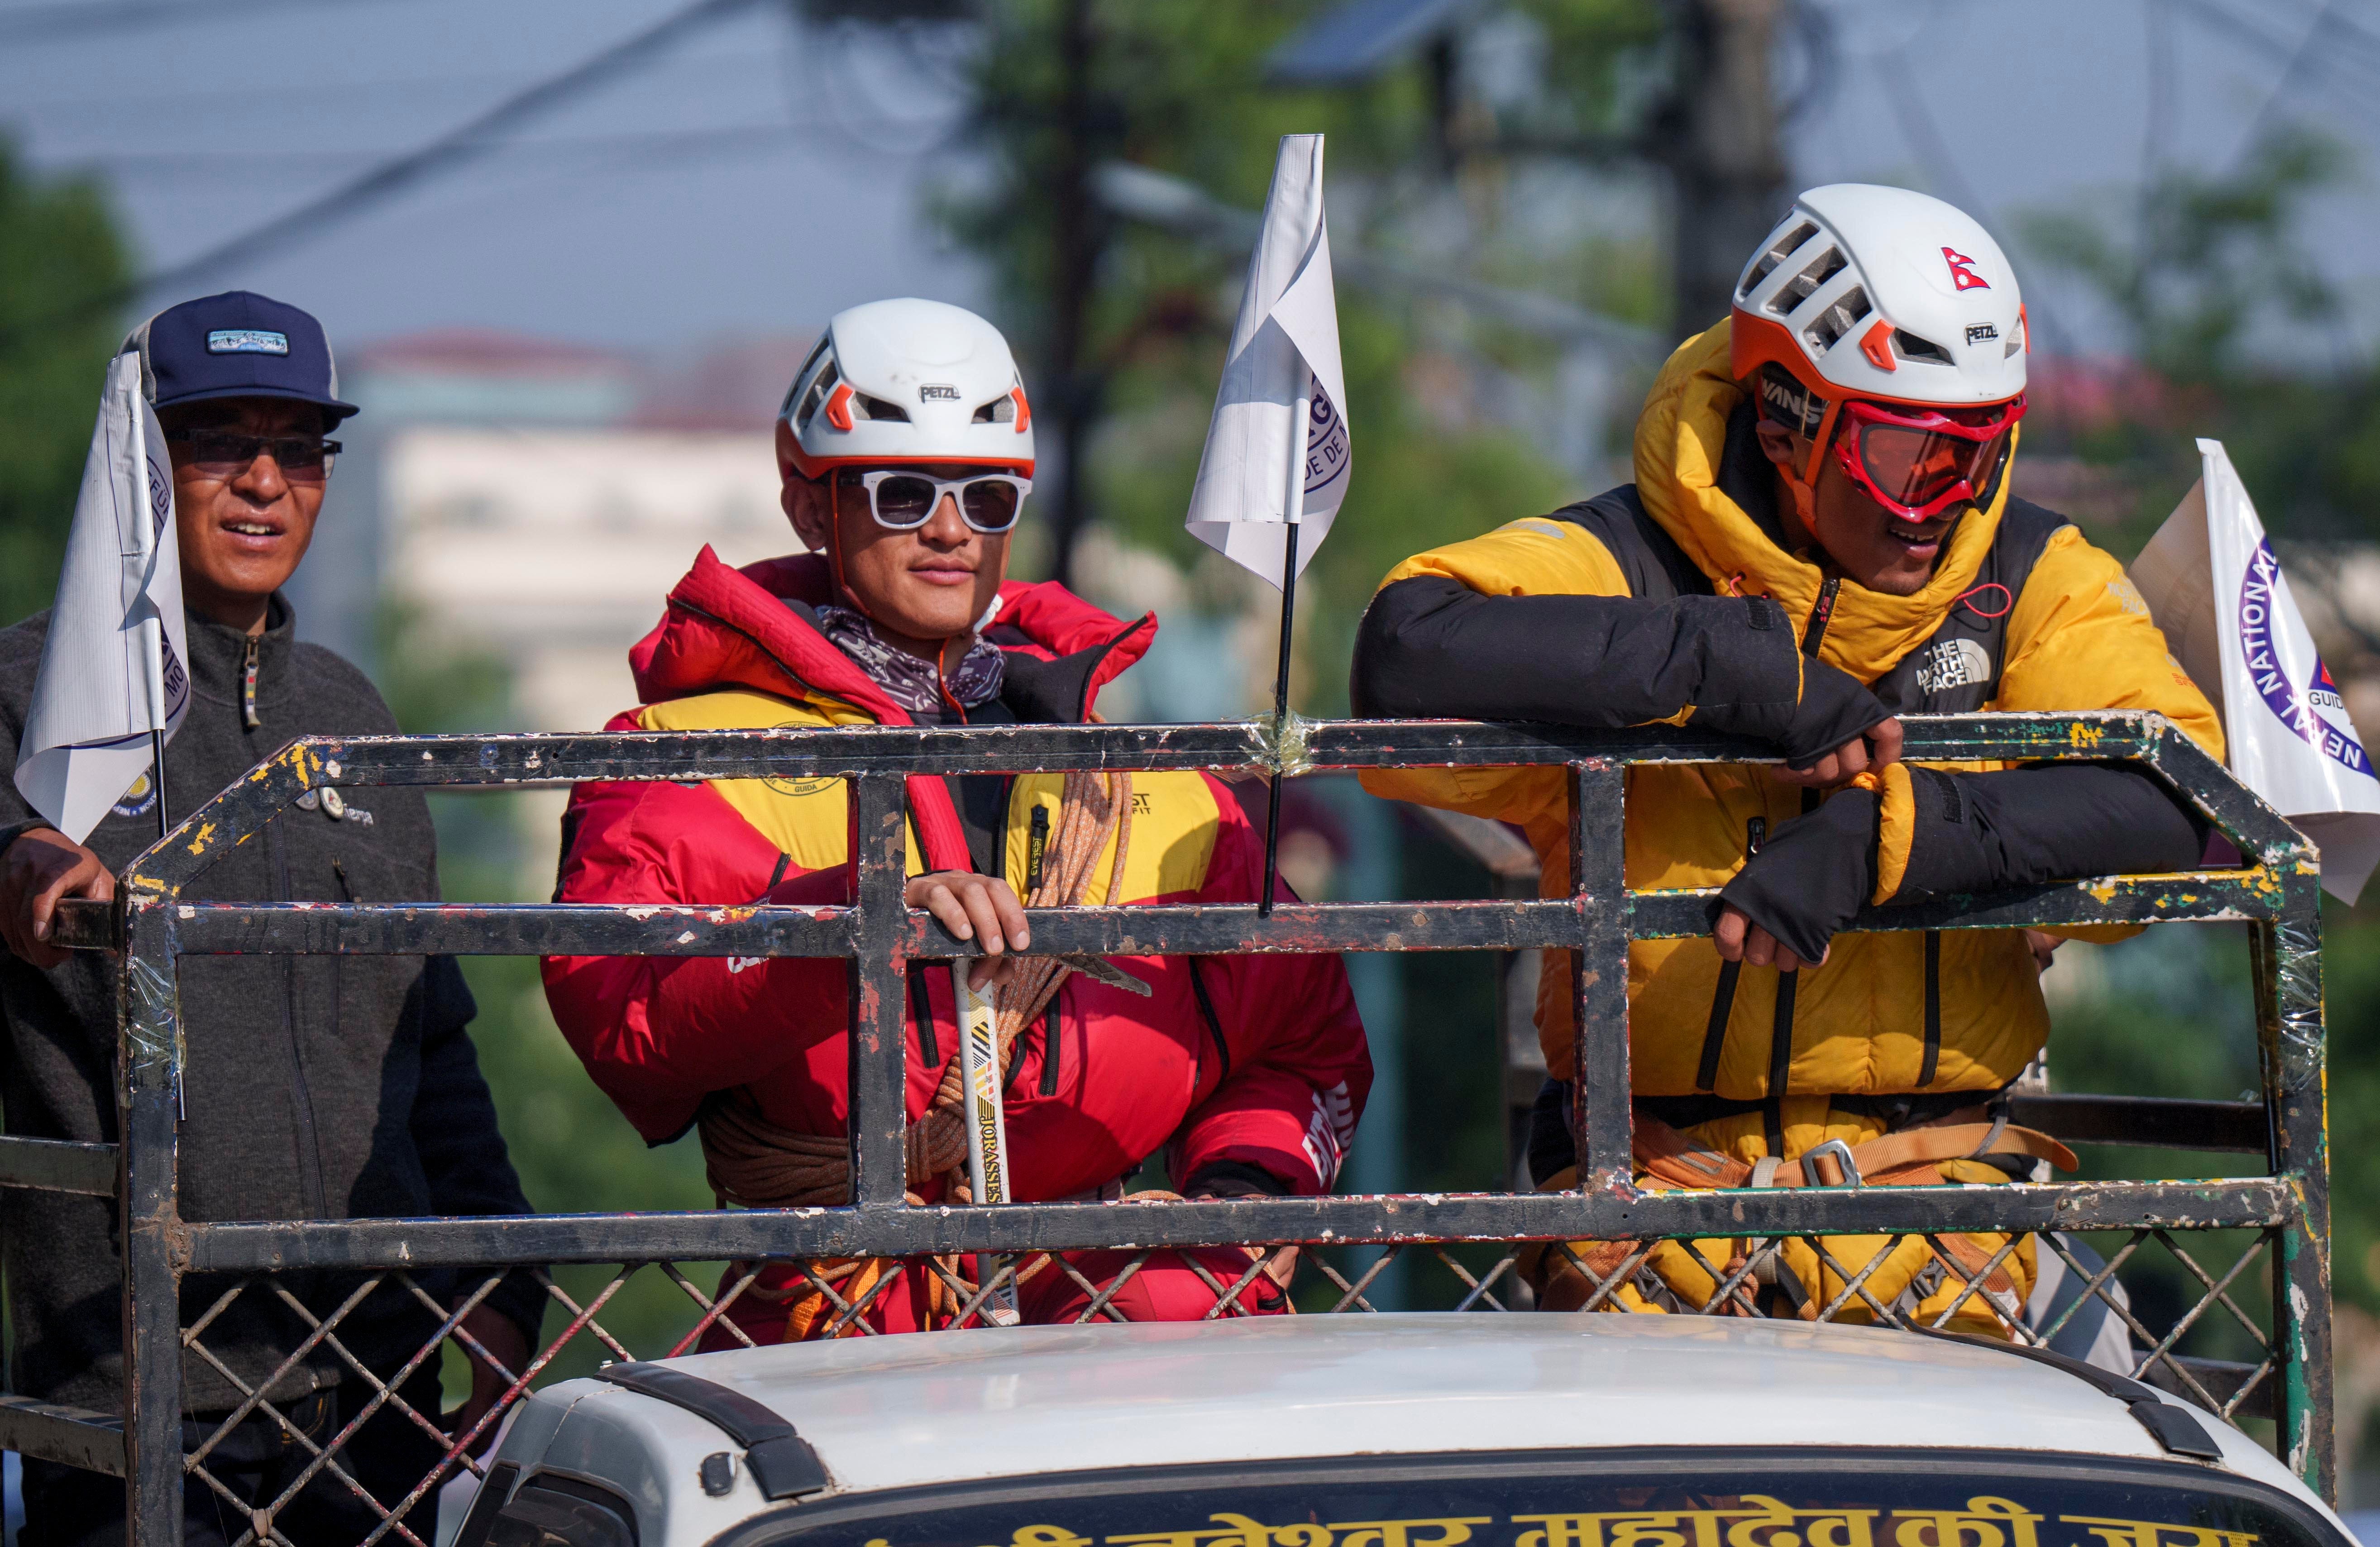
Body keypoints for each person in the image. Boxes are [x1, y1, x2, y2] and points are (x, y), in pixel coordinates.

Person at [1351, 186, 2225, 1329]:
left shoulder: (2033, 574)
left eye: (1983, 454)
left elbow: (2181, 797)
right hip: (1640, 1202)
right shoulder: (1627, 561)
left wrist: (1891, 838)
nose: (1946, 506)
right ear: (1783, 421)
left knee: (2156, 1471)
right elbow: (1405, 652)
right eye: (1911, 456)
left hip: (1957, 1202)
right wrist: (1724, 665)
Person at [543, 297, 1371, 1337]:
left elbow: (1310, 1034)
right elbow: (630, 1031)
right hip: (835, 1308)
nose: (950, 530)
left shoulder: (1140, 770)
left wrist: (1249, 1196)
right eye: (901, 494)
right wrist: (854, 920)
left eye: (985, 497)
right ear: (809, 503)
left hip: (1128, 1313)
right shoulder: (679, 756)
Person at [0, 293, 543, 1545]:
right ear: (142, 464)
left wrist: (503, 1278)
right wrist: (19, 854)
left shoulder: (353, 717)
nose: (262, 482)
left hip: (373, 1397)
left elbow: (434, 1037)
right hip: (134, 1398)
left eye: (296, 447)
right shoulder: (32, 701)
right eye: (216, 444)